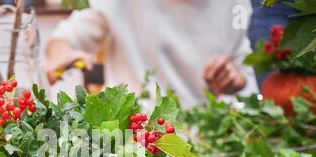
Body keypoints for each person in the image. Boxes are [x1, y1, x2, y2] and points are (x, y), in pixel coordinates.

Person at [45, 0, 258, 109]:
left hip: (206, 139)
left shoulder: (234, 5)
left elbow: (245, 74)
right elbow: (65, 39)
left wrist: (234, 79)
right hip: (131, 139)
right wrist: (61, 54)